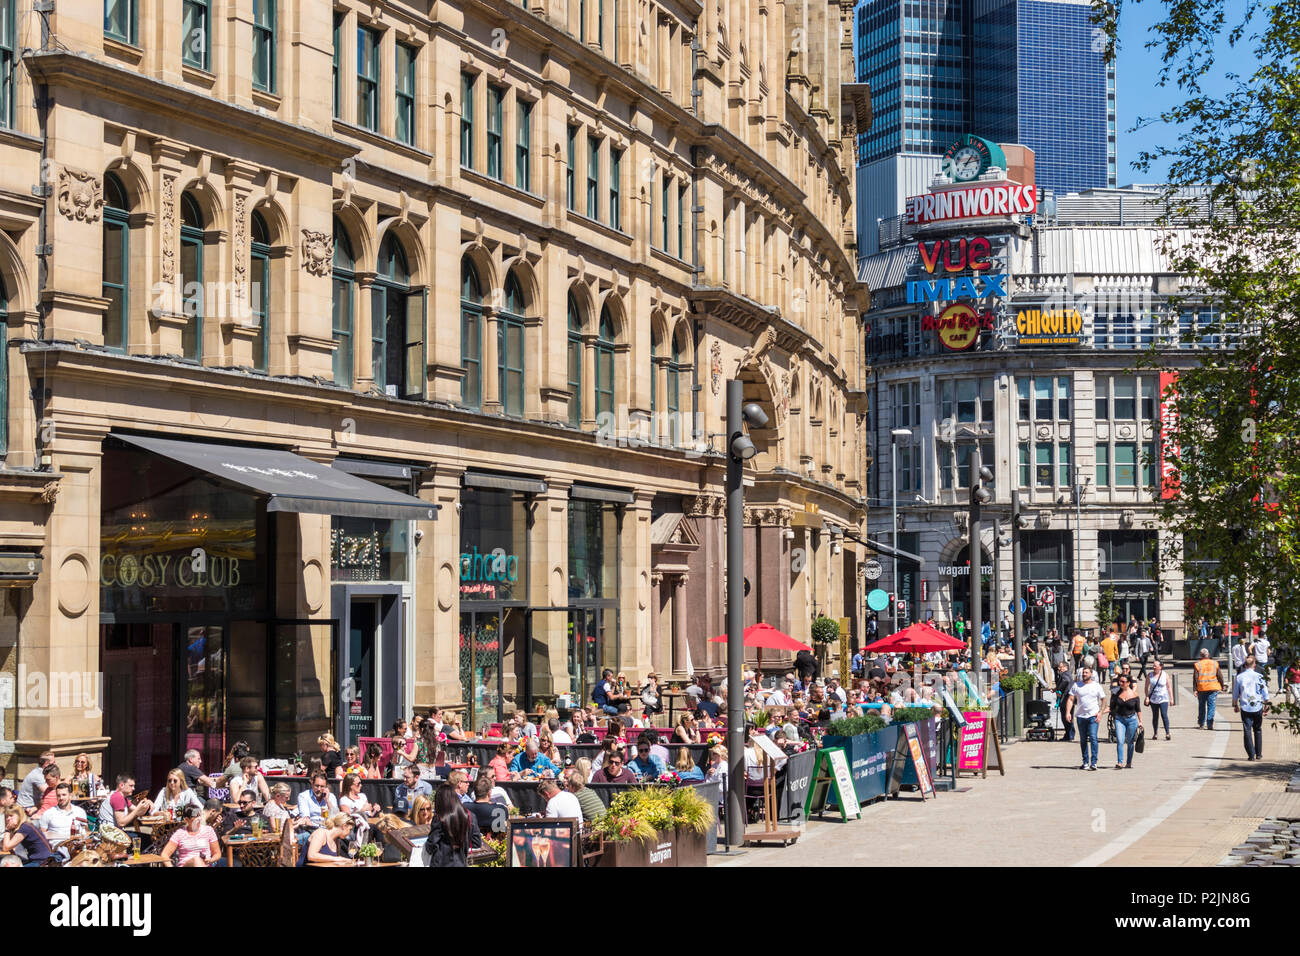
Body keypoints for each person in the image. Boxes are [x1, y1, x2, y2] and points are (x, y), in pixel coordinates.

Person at [420, 784, 478, 867]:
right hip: (461, 863)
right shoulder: (470, 816)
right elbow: (476, 842)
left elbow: (431, 844)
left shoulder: (440, 818)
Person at [1064, 666, 1107, 771]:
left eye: (1086, 673)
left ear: (1091, 674)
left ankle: (1094, 762)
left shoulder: (1096, 686)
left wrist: (1100, 712)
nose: (1084, 674)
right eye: (1083, 673)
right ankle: (1085, 762)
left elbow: (1104, 700)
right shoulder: (1076, 685)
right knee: (1083, 739)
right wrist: (1068, 712)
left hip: (1093, 715)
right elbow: (1070, 699)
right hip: (1081, 716)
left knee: (1093, 737)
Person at [1232, 655, 1271, 760]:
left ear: (1245, 665)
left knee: (1247, 730)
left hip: (1245, 706)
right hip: (1257, 706)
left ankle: (1251, 754)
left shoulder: (1239, 677)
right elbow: (1265, 692)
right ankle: (1259, 753)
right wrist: (1266, 703)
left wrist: (1235, 705)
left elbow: (1235, 693)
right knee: (1258, 729)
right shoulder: (1260, 676)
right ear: (1254, 665)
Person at [38, 782, 88, 848]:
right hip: (59, 848)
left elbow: (86, 832)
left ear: (70, 796)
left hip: (77, 846)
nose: (61, 798)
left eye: (64, 795)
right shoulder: (48, 813)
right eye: (58, 795)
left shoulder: (80, 812)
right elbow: (42, 836)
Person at [1110, 674, 1143, 769]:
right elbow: (1111, 706)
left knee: (1130, 742)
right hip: (1119, 719)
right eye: (1120, 681)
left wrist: (1140, 721)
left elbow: (1138, 709)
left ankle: (1129, 762)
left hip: (1132, 720)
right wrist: (1100, 712)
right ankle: (1120, 762)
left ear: (1128, 683)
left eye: (1123, 682)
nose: (1121, 683)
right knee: (1120, 740)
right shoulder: (1116, 692)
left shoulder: (1134, 695)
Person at [1193, 647, 1224, 730]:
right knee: (1211, 706)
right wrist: (1222, 685)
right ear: (1208, 655)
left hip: (1201, 688)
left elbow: (1195, 678)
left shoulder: (1197, 664)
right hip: (1213, 688)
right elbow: (1220, 676)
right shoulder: (1215, 663)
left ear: (1200, 655)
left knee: (1202, 706)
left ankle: (1201, 724)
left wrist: (1195, 689)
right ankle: (1210, 724)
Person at [1144, 659, 1172, 741]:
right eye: (1153, 665)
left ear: (1160, 667)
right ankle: (1155, 733)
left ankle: (1167, 733)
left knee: (1164, 715)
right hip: (1153, 699)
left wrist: (1172, 698)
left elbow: (1169, 687)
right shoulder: (1150, 675)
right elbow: (1146, 687)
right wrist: (1147, 697)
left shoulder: (1165, 675)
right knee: (1155, 716)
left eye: (1155, 666)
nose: (1153, 667)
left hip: (1163, 699)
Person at [1054, 662, 1075, 741]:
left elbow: (1066, 681)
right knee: (1068, 717)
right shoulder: (1067, 674)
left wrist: (1059, 689)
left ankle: (1069, 735)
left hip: (1066, 699)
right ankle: (1069, 734)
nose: (1059, 669)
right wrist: (1056, 689)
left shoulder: (1064, 675)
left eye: (1060, 667)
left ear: (1065, 667)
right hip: (1068, 698)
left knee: (1066, 717)